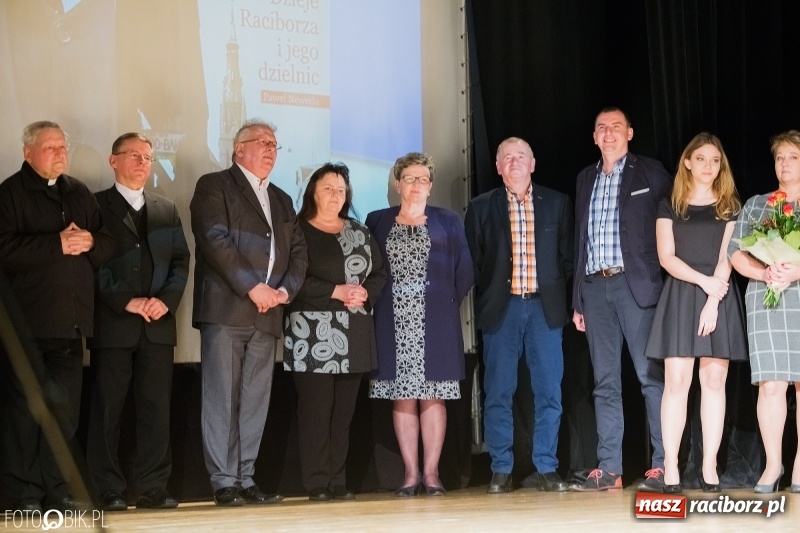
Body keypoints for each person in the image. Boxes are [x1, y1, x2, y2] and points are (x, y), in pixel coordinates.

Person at [190, 119, 307, 506]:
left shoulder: (283, 198)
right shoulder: (214, 185)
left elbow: (299, 251)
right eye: (262, 142)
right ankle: (223, 480)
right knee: (222, 396)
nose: (271, 149)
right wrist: (252, 286)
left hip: (269, 312)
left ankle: (245, 476)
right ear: (239, 149)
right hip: (228, 308)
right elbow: (214, 240)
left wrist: (284, 291)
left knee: (255, 398)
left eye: (275, 143)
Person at [0, 121, 113, 512]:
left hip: (72, 323)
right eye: (50, 148)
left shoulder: (79, 191)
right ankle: (23, 495)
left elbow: (107, 242)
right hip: (28, 325)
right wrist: (57, 243)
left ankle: (58, 491)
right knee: (24, 416)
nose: (60, 154)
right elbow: (4, 250)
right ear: (27, 153)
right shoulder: (9, 194)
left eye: (63, 147)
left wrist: (92, 241)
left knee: (65, 415)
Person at [86, 132, 190, 511]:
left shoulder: (167, 208)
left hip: (158, 326)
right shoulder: (95, 207)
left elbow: (181, 261)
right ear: (114, 161)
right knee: (107, 410)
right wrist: (125, 300)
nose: (143, 163)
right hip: (114, 324)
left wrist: (166, 302)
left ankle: (152, 487)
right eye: (134, 155)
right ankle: (106, 489)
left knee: (156, 411)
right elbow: (90, 265)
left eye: (148, 157)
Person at [570, 107, 672, 492]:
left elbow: (669, 223)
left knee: (650, 378)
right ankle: (609, 469)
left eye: (616, 127)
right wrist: (577, 298)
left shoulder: (651, 172)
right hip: (595, 289)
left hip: (637, 286)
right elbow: (580, 240)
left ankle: (663, 465)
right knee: (604, 382)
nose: (609, 134)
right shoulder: (585, 178)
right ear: (594, 137)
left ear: (630, 132)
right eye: (601, 128)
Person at [465, 137, 574, 493]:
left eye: (521, 156)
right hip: (502, 309)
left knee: (548, 390)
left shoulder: (557, 203)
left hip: (545, 309)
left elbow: (567, 258)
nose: (514, 162)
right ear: (497, 167)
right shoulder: (480, 207)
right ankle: (501, 468)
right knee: (498, 391)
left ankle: (546, 466)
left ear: (533, 163)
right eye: (506, 158)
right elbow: (474, 263)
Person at [644, 133, 747, 493]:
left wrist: (714, 298)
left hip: (718, 296)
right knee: (676, 384)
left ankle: (709, 469)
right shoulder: (669, 203)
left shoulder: (731, 204)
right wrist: (704, 284)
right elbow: (666, 257)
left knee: (714, 383)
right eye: (701, 159)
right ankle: (671, 468)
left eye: (715, 160)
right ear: (687, 162)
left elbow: (727, 256)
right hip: (683, 294)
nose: (708, 166)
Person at [367, 152, 474, 497]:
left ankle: (432, 475)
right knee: (402, 397)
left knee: (433, 396)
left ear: (431, 185)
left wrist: (443, 303)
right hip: (391, 320)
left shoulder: (448, 220)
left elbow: (465, 270)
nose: (416, 184)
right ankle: (410, 475)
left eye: (423, 179)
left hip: (437, 321)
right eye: (409, 178)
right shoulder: (377, 221)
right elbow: (368, 268)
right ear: (398, 184)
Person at [283, 163, 386, 501]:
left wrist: (365, 292)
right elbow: (292, 280)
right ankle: (315, 483)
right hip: (310, 337)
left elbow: (379, 272)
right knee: (315, 411)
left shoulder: (359, 231)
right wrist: (335, 292)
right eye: (328, 188)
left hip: (353, 334)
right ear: (313, 191)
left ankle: (337, 480)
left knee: (343, 414)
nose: (335, 195)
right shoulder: (296, 230)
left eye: (341, 189)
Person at [729, 130, 800, 494]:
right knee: (771, 384)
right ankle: (773, 465)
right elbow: (735, 253)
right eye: (780, 157)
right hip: (766, 294)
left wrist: (797, 269)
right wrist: (764, 272)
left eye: (793, 157)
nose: (784, 164)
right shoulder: (758, 204)